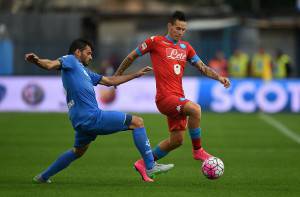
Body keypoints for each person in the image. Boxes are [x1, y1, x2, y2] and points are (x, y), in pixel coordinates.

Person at [25, 38, 174, 184]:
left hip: (80, 120)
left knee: (78, 151)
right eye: (88, 53)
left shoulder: (85, 71)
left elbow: (110, 81)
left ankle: (43, 177)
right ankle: (150, 166)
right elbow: (51, 64)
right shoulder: (70, 60)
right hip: (91, 117)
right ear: (78, 52)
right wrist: (37, 61)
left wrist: (136, 74)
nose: (91, 56)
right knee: (137, 122)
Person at [114, 11, 230, 181]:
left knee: (176, 141)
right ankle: (198, 151)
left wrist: (219, 77)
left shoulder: (186, 48)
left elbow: (202, 67)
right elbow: (132, 56)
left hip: (178, 97)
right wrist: (117, 76)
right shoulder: (155, 42)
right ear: (169, 26)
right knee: (195, 109)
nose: (180, 32)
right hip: (164, 98)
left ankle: (142, 163)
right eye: (178, 28)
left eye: (183, 29)